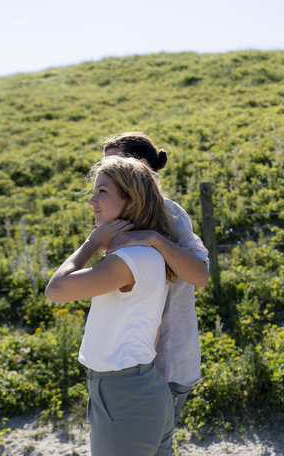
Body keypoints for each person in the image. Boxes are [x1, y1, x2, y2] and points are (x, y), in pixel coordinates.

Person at [45, 155, 178, 456]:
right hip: (140, 390)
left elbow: (56, 290)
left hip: (124, 396)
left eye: (102, 191)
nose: (92, 200)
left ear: (130, 201)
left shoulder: (130, 260)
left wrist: (91, 243)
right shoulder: (145, 255)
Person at [103, 132, 209, 435]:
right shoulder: (118, 214)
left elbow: (200, 275)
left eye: (113, 163)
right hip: (127, 367)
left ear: (142, 168)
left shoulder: (170, 214)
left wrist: (153, 238)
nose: (105, 171)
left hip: (167, 367)